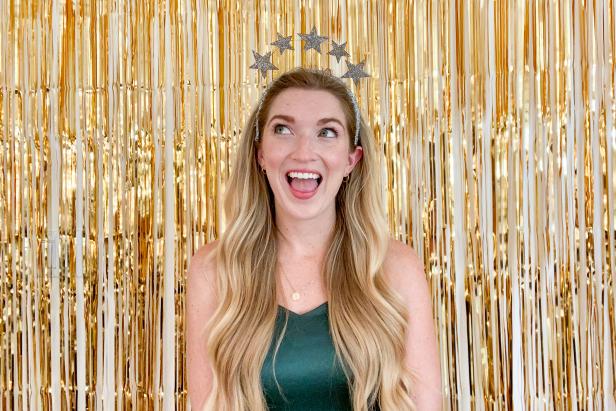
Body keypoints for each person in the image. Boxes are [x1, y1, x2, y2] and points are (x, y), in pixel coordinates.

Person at [186, 68, 441, 410]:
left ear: (352, 160)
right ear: (261, 153)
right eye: (284, 129)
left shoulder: (397, 268)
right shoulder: (213, 270)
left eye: (326, 132)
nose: (304, 152)